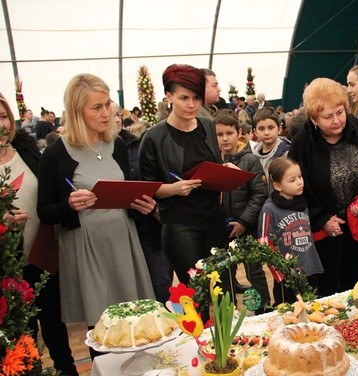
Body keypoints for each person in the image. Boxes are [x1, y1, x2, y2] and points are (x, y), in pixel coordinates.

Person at [36, 74, 156, 360]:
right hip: (86, 248)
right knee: (102, 328)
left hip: (123, 241)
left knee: (135, 319)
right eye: (97, 107)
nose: (107, 113)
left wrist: (140, 205)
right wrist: (69, 204)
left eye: (108, 105)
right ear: (77, 111)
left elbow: (123, 192)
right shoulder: (55, 154)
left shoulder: (117, 146)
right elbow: (45, 212)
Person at [0, 92, 89, 376]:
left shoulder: (29, 152)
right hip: (7, 263)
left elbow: (49, 197)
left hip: (43, 251)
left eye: (2, 117)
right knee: (23, 332)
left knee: (54, 321)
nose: (0, 125)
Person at [289, 77, 358, 295]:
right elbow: (293, 189)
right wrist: (321, 219)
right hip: (326, 233)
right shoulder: (303, 143)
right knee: (329, 290)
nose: (337, 121)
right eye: (327, 116)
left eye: (340, 112)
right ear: (313, 118)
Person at [139, 64, 225, 284]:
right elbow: (146, 188)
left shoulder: (207, 125)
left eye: (196, 98)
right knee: (198, 293)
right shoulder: (154, 137)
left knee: (225, 289)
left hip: (214, 218)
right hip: (180, 224)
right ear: (168, 97)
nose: (191, 105)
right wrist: (173, 189)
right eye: (184, 98)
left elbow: (215, 164)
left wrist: (226, 172)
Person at [111, 102, 172, 303]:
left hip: (149, 228)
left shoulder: (138, 146)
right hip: (115, 233)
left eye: (118, 114)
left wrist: (155, 206)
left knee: (160, 287)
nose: (116, 119)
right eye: (111, 114)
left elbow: (158, 181)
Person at [213, 110, 271, 311]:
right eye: (219, 134)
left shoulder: (250, 161)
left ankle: (263, 307)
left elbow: (259, 194)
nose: (225, 138)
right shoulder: (213, 160)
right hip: (221, 227)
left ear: (239, 132)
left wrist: (244, 222)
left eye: (229, 133)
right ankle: (230, 311)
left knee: (254, 271)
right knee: (224, 272)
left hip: (246, 227)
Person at [258, 157, 322, 304]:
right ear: (278, 186)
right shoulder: (269, 210)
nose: (299, 182)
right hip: (286, 277)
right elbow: (264, 244)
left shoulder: (302, 204)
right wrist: (280, 273)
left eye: (300, 177)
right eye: (292, 180)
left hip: (310, 270)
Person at [251, 108, 291, 194]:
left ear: (279, 129)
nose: (266, 133)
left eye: (271, 128)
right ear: (255, 132)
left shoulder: (287, 154)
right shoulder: (252, 155)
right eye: (261, 129)